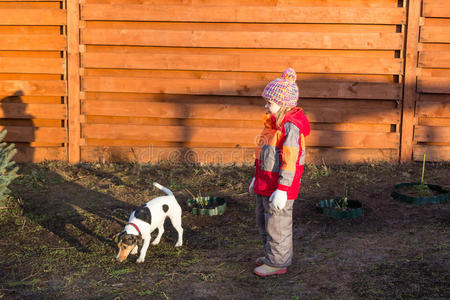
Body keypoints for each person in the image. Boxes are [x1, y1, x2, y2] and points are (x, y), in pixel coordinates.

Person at [249, 67, 310, 277]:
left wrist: (283, 189)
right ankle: (271, 255)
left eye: (270, 102)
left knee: (277, 224)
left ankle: (278, 262)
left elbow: (290, 160)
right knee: (264, 220)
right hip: (265, 183)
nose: (266, 106)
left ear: (283, 104)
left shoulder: (291, 128)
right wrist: (255, 178)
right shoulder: (272, 125)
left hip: (279, 187)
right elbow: (263, 155)